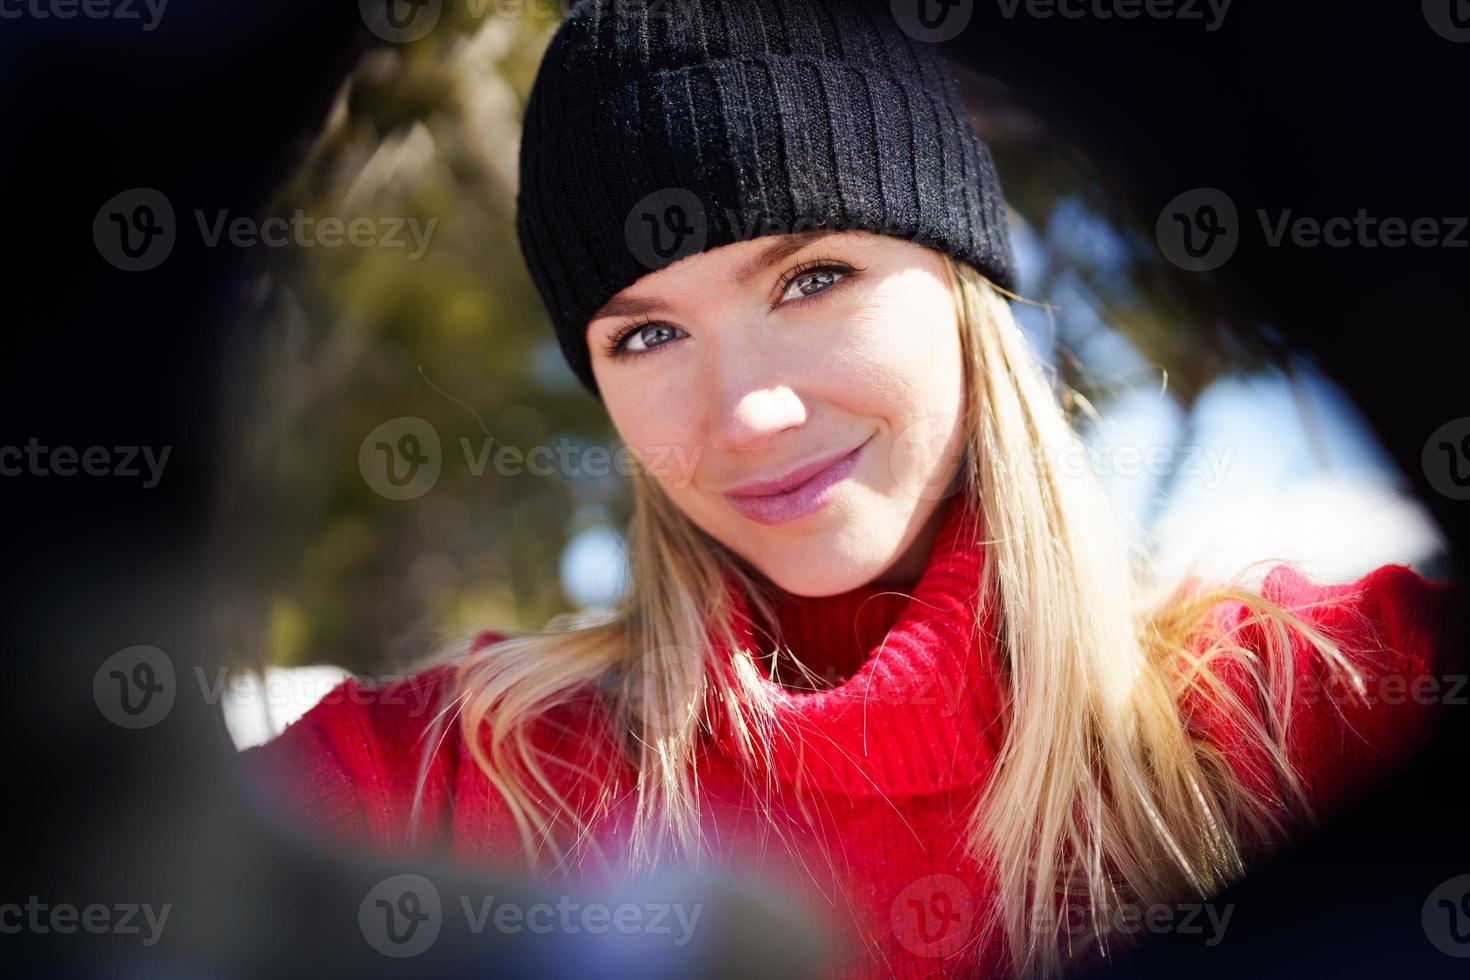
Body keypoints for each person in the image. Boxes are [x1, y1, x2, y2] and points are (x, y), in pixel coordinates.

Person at [240, 1, 1463, 976]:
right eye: (647, 335)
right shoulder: (459, 778)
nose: (749, 414)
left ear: (961, 280)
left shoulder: (1307, 708)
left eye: (813, 276)